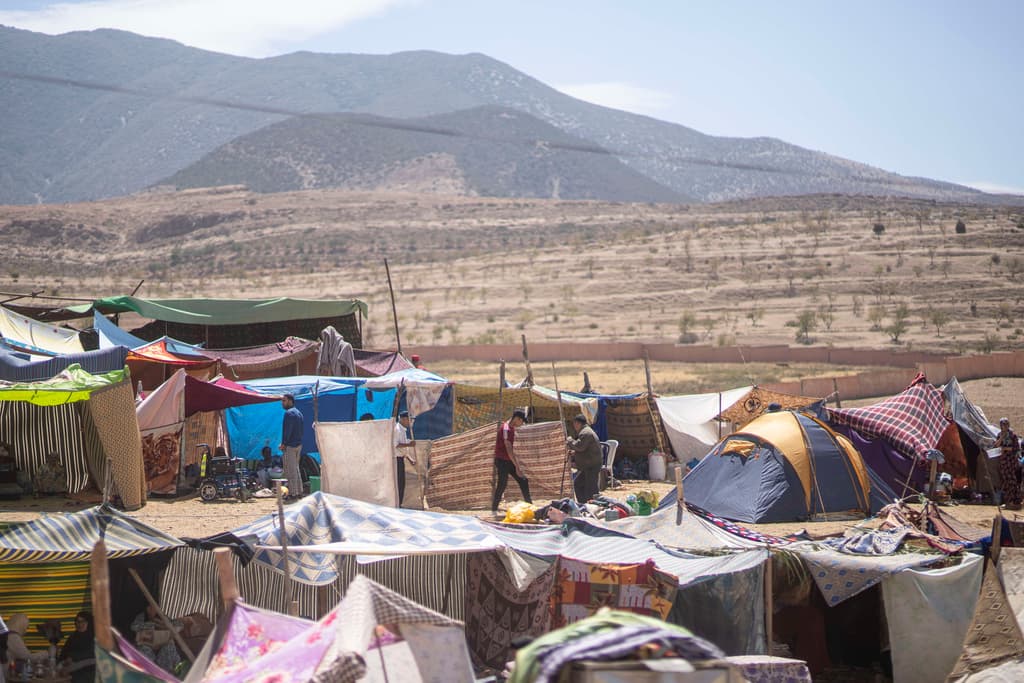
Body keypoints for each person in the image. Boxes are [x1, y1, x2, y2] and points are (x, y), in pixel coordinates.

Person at [492, 409, 531, 514]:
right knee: (502, 484)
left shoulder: (511, 428)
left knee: (523, 480)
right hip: (502, 460)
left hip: (508, 460)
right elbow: (508, 448)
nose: (522, 424)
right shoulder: (506, 429)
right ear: (517, 419)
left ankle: (530, 505)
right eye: (521, 421)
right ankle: (494, 509)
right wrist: (517, 466)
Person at [131, 605, 182, 674]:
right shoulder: (142, 616)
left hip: (163, 643)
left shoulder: (163, 616)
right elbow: (134, 627)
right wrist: (151, 625)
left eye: (154, 608)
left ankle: (166, 674)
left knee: (169, 649)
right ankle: (151, 674)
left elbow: (179, 625)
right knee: (145, 652)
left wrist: (165, 626)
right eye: (149, 607)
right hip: (147, 644)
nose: (152, 610)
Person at [566, 415, 602, 504]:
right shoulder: (585, 431)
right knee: (579, 484)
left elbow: (580, 446)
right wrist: (575, 453)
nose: (574, 426)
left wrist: (570, 440)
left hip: (591, 465)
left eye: (574, 424)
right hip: (588, 464)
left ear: (578, 423)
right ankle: (583, 504)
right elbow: (585, 448)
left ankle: (594, 505)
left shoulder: (585, 433)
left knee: (591, 488)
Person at [278, 393, 304, 501]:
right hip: (298, 444)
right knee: (296, 469)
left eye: (284, 401)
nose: (282, 403)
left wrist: (284, 443)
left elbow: (287, 430)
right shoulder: (299, 413)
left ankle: (293, 493)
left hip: (290, 446)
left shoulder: (289, 413)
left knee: (290, 470)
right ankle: (299, 491)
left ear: (290, 401)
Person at [59, 612, 95, 683]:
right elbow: (63, 653)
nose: (80, 624)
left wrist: (73, 657)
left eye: (83, 621)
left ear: (89, 623)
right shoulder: (72, 637)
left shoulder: (94, 637)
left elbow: (91, 653)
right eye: (77, 621)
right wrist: (65, 660)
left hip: (88, 671)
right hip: (69, 669)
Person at [996, 417, 1022, 509]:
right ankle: (1009, 501)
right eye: (1003, 425)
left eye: (1006, 424)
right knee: (1005, 481)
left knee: (1012, 481)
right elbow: (996, 445)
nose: (1004, 426)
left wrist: (1005, 448)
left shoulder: (1013, 435)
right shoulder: (999, 435)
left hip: (1010, 461)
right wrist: (1002, 437)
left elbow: (1016, 448)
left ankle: (1014, 501)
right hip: (1003, 461)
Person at [393, 411, 415, 506]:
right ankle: (397, 504)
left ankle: (399, 503)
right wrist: (409, 444)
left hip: (401, 459)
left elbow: (403, 449)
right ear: (403, 419)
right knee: (398, 483)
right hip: (396, 460)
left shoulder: (403, 430)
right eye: (409, 420)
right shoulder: (397, 429)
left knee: (402, 483)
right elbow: (396, 445)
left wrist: (409, 458)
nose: (410, 422)